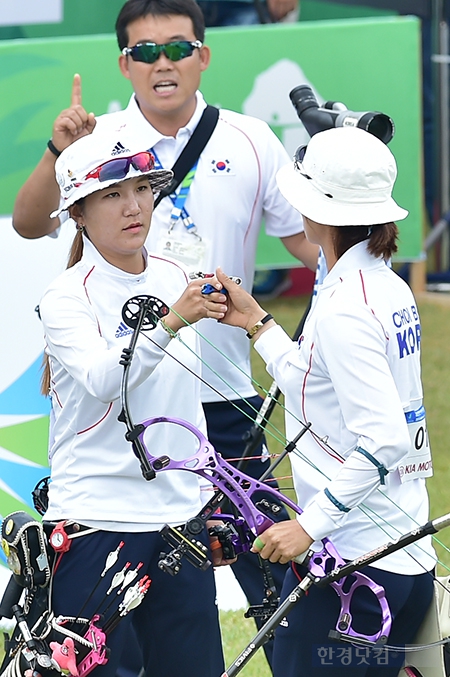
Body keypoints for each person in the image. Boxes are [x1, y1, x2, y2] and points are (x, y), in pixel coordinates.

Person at [12, 0, 319, 667]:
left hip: (224, 404)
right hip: (124, 437)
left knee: (277, 581)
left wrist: (361, 244)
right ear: (124, 63)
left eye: (178, 48)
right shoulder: (102, 140)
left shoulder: (248, 139)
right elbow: (31, 223)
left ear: (204, 54)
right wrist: (61, 146)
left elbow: (309, 243)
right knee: (113, 642)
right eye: (145, 52)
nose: (163, 64)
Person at [214, 126, 437, 676]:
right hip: (399, 562)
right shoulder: (383, 284)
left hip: (357, 570)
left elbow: (381, 437)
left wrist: (307, 526)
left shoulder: (347, 306)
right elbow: (319, 383)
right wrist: (258, 324)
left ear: (322, 212)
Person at [37, 128, 230, 677]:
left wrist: (206, 497)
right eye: (111, 195)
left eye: (142, 189)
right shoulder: (65, 296)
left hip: (178, 518)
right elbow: (103, 378)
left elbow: (185, 403)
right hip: (98, 521)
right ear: (78, 212)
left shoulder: (174, 275)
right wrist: (171, 321)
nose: (133, 206)